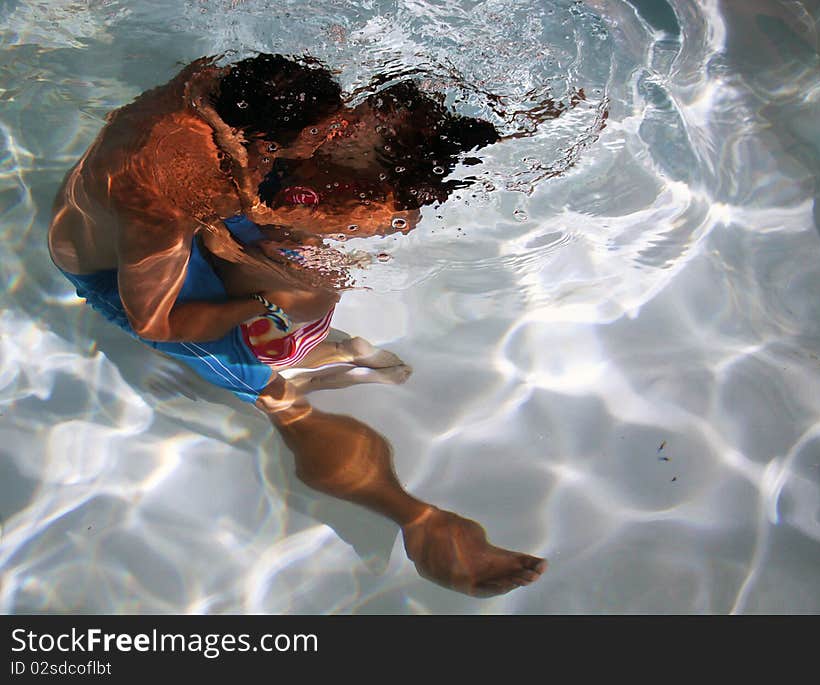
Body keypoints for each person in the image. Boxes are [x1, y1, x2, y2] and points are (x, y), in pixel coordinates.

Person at [48, 54, 546, 597]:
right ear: (263, 143)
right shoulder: (164, 199)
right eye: (317, 135)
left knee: (326, 239)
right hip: (122, 270)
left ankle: (312, 346)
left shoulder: (213, 85)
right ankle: (414, 517)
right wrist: (270, 303)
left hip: (183, 213)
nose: (329, 136)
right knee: (282, 404)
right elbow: (159, 321)